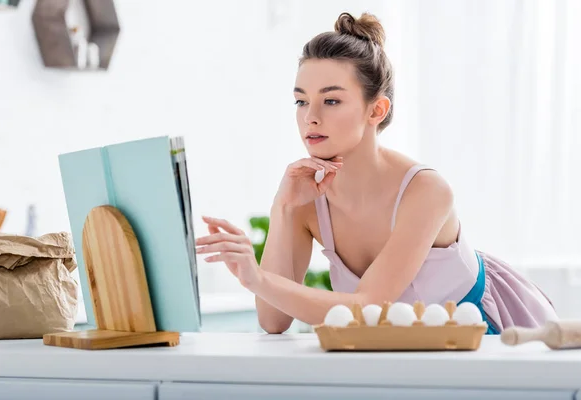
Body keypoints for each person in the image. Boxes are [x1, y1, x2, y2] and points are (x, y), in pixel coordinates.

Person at [195, 12, 558, 334]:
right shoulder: (304, 198)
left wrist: (256, 277)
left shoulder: (426, 191)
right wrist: (283, 207)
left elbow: (371, 307)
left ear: (377, 110)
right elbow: (274, 322)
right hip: (398, 352)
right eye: (301, 100)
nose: (310, 117)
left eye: (331, 100)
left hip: (486, 335)